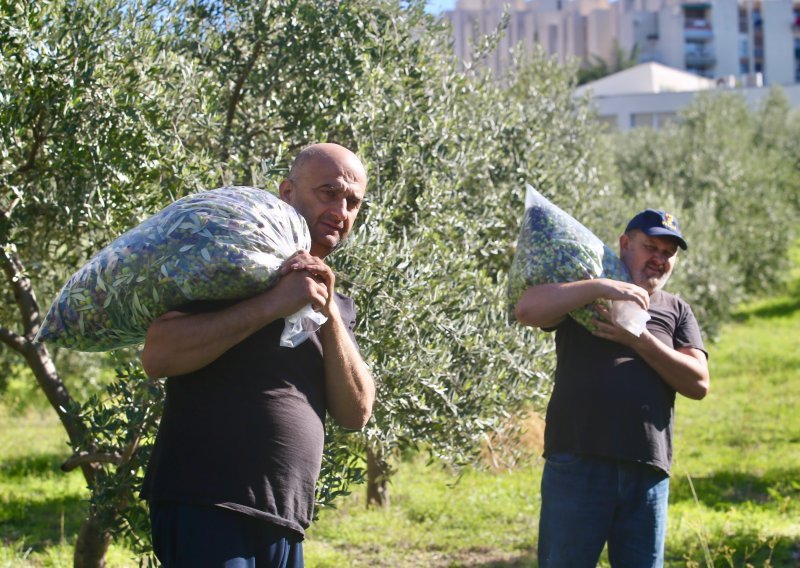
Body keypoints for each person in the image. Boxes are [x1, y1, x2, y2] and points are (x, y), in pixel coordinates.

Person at [140, 143, 376, 567]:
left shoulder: (337, 305)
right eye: (328, 192)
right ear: (287, 192)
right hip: (207, 505)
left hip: (284, 520)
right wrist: (272, 303)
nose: (341, 210)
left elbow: (356, 412)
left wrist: (330, 315)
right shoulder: (233, 264)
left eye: (352, 201)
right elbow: (158, 354)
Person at [515, 209, 710, 568]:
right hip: (577, 462)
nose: (659, 259)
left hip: (646, 471)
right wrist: (601, 286)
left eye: (668, 254)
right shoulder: (585, 293)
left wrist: (640, 341)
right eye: (650, 247)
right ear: (624, 244)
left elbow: (699, 383)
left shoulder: (676, 309)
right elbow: (526, 309)